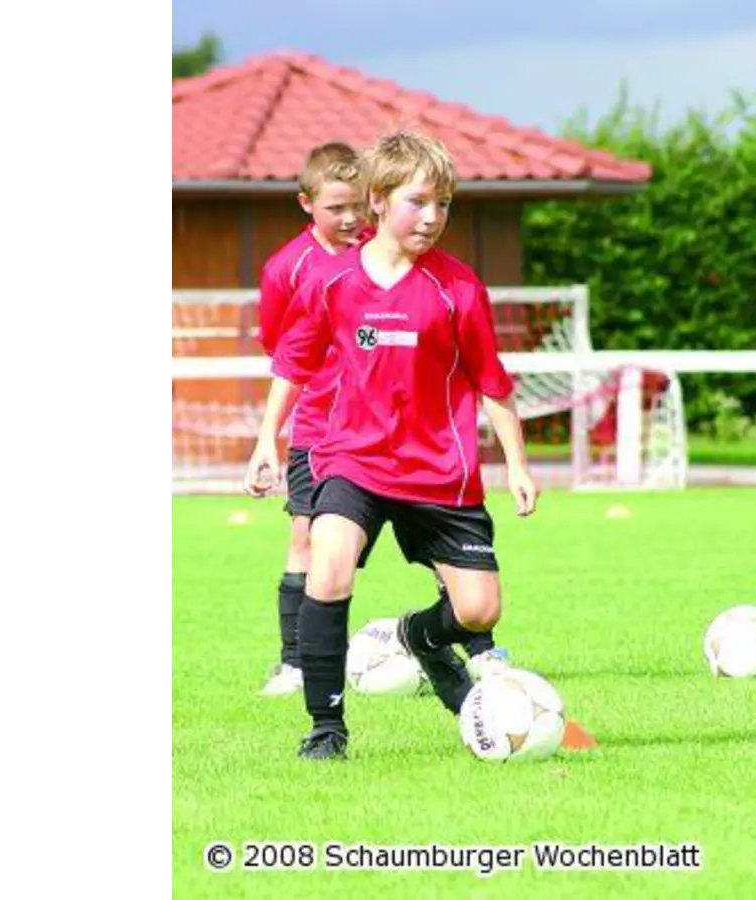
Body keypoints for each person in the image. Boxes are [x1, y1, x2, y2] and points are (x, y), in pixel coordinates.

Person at [245, 130, 538, 760]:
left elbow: (493, 382)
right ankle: (326, 728)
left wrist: (517, 464)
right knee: (328, 563)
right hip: (353, 457)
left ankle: (420, 638)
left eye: (444, 204)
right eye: (418, 201)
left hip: (441, 470)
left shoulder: (458, 289)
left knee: (480, 611)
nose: (433, 217)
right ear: (378, 200)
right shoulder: (332, 282)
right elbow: (293, 362)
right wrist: (267, 438)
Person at [251, 142, 366, 698]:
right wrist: (269, 437)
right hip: (319, 427)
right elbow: (284, 348)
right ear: (306, 203)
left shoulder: (380, 253)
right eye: (336, 207)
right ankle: (294, 662)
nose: (350, 219)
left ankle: (477, 647)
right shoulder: (286, 268)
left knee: (430, 528)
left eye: (359, 207)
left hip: (386, 425)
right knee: (304, 535)